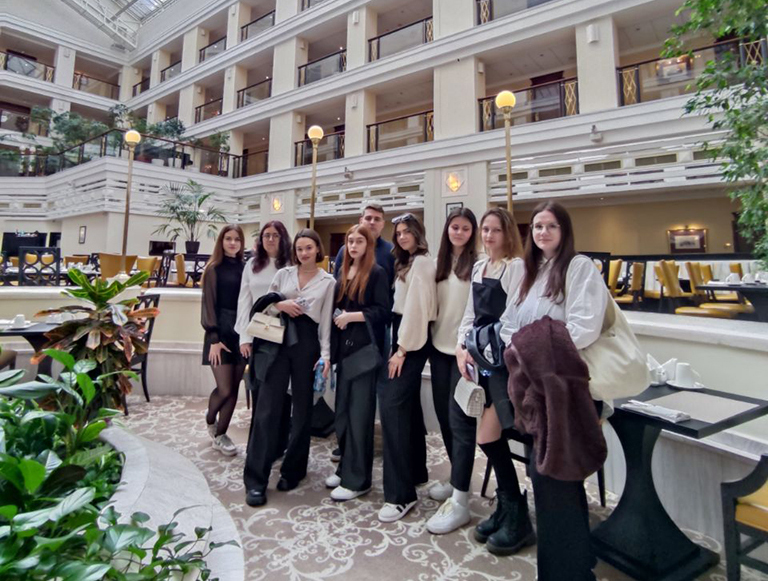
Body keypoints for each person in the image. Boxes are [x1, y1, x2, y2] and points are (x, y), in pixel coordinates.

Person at [499, 202, 608, 581]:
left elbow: (584, 327)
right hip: (534, 390)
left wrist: (532, 346)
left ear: (564, 231)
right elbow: (508, 324)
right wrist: (522, 347)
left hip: (566, 389)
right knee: (548, 479)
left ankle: (567, 572)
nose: (543, 232)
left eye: (551, 226)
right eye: (537, 226)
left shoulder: (578, 267)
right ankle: (576, 565)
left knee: (556, 478)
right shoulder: (528, 273)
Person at [454, 208, 529, 554]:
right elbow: (469, 314)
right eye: (485, 229)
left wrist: (486, 347)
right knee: (487, 436)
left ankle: (516, 512)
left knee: (488, 436)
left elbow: (515, 318)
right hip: (480, 358)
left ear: (507, 233)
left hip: (503, 363)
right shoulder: (480, 267)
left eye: (495, 230)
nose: (488, 235)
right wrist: (462, 347)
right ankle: (509, 505)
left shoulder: (516, 267)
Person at [244, 229, 335, 507]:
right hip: (278, 340)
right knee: (267, 407)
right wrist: (280, 304)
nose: (303, 253)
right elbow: (264, 307)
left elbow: (326, 322)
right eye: (299, 248)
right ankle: (255, 479)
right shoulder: (283, 274)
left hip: (307, 343)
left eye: (309, 248)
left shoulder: (328, 281)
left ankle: (293, 470)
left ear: (317, 249)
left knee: (303, 408)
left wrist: (326, 356)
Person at [377, 213, 436, 523]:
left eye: (406, 232)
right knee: (408, 406)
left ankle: (401, 495)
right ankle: (416, 472)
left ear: (417, 233)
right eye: (398, 233)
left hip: (410, 338)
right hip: (402, 333)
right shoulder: (408, 261)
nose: (401, 237)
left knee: (392, 407)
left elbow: (417, 310)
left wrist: (402, 350)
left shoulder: (423, 262)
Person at [325, 225, 391, 500]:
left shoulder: (376, 273)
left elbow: (384, 312)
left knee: (359, 416)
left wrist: (352, 316)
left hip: (363, 353)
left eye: (359, 241)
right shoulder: (342, 272)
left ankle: (358, 480)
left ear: (368, 244)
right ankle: (345, 468)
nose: (353, 245)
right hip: (345, 353)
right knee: (342, 414)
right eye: (350, 241)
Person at [425, 208, 479, 533]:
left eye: (465, 228)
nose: (459, 232)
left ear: (472, 233)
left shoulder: (478, 265)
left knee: (461, 423)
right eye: (454, 227)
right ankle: (457, 478)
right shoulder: (437, 265)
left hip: (463, 354)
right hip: (438, 350)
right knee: (444, 418)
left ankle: (461, 496)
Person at [331, 202, 397, 464]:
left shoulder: (388, 254)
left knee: (369, 393)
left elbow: (385, 304)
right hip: (345, 339)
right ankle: (347, 448)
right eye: (367, 218)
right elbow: (337, 291)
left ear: (382, 224)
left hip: (372, 335)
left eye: (377, 219)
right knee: (344, 400)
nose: (371, 222)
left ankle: (365, 448)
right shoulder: (343, 260)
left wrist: (355, 316)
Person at [236, 221, 293, 464]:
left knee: (282, 395)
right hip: (258, 333)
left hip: (285, 333)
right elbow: (244, 301)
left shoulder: (291, 264)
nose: (270, 239)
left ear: (283, 238)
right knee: (260, 392)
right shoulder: (252, 265)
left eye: (275, 235)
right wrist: (244, 337)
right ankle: (258, 447)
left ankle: (279, 445)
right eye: (266, 235)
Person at [202, 224, 247, 456]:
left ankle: (221, 435)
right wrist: (213, 338)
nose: (232, 243)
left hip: (241, 333)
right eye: (228, 238)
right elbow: (208, 305)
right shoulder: (213, 268)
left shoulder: (246, 268)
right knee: (225, 388)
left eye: (237, 239)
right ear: (221, 241)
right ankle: (210, 418)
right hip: (219, 332)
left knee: (234, 389)